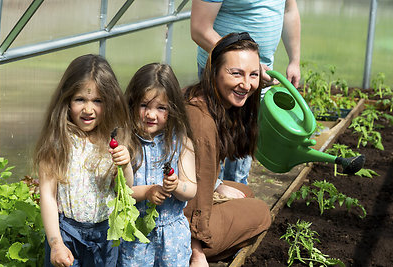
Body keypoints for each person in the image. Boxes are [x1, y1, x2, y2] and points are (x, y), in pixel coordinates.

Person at [34, 54, 133, 267]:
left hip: (105, 235)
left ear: (110, 102)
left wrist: (126, 167)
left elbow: (124, 191)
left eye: (97, 101)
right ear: (67, 100)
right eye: (80, 99)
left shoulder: (112, 140)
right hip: (66, 234)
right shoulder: (58, 142)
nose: (88, 109)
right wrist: (56, 243)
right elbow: (48, 197)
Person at [184, 32, 272, 266]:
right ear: (214, 72)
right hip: (180, 223)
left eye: (253, 74)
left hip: (182, 195)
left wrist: (218, 185)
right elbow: (198, 188)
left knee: (244, 192)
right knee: (261, 211)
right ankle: (196, 249)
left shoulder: (204, 99)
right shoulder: (202, 121)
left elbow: (198, 174)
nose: (246, 84)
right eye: (236, 73)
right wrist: (196, 252)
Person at [190, 0, 301, 185]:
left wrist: (294, 60)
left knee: (241, 146)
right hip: (225, 74)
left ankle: (237, 194)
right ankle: (209, 200)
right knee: (212, 145)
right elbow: (200, 29)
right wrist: (247, 65)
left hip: (257, 75)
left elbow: (289, 11)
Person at [117, 63, 197, 266]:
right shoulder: (125, 142)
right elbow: (117, 191)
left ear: (173, 110)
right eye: (144, 106)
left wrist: (176, 185)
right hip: (136, 235)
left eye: (161, 108)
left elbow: (191, 190)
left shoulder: (181, 142)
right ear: (132, 103)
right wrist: (147, 192)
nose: (151, 115)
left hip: (172, 235)